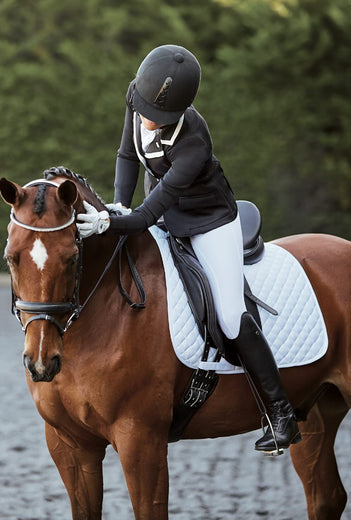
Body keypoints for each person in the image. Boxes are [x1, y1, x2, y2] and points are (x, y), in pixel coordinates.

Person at [77, 44, 301, 453]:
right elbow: (127, 155)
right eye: (144, 110)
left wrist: (112, 222)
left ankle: (281, 412)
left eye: (156, 117)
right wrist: (117, 204)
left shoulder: (193, 142)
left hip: (208, 221)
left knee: (232, 315)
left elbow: (147, 216)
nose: (146, 119)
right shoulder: (138, 96)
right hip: (162, 212)